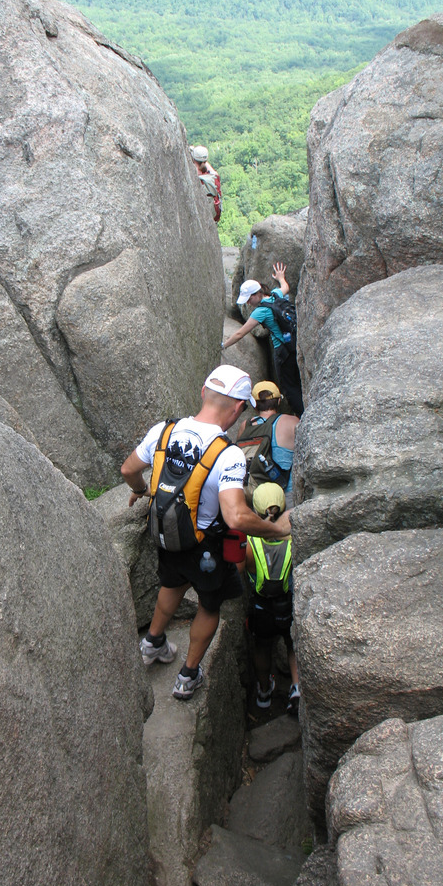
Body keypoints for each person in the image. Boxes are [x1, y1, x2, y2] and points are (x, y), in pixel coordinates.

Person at [121, 364, 292, 700]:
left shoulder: (163, 431)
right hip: (207, 548)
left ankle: (152, 642)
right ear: (240, 407)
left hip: (168, 534)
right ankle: (187, 676)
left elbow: (128, 469)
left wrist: (141, 489)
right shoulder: (228, 454)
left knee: (171, 584)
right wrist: (274, 530)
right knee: (209, 606)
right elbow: (236, 515)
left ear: (203, 393)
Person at [243, 482, 300, 714]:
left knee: (262, 647)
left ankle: (264, 691)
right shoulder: (294, 537)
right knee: (293, 644)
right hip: (288, 605)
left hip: (261, 607)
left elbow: (238, 569)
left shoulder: (250, 542)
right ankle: (297, 688)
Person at [222, 262, 303, 416]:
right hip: (294, 345)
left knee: (289, 387)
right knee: (297, 382)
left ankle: (302, 415)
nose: (248, 303)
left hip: (283, 352)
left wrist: (224, 345)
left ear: (257, 294)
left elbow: (240, 333)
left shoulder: (261, 311)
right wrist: (281, 277)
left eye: (248, 299)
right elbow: (285, 287)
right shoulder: (274, 296)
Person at [237, 380, 299, 505]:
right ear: (279, 401)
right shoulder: (292, 421)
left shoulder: (246, 425)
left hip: (258, 496)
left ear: (254, 405)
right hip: (286, 493)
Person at [191, 145, 222, 223]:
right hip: (214, 216)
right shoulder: (215, 177)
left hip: (203, 218)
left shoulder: (196, 179)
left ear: (194, 160)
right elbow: (210, 169)